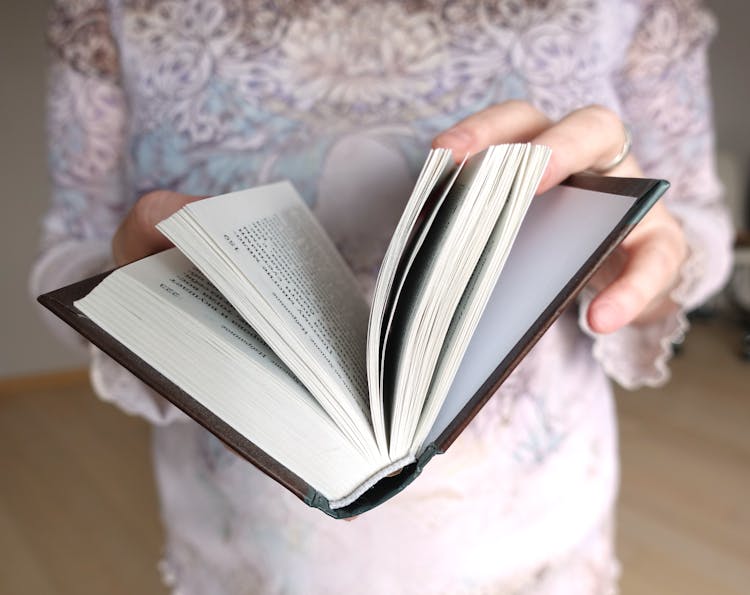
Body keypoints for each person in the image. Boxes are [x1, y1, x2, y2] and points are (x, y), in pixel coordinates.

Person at [33, 1, 733, 593]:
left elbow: (696, 224)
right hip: (247, 555)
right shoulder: (109, 13)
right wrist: (137, 285)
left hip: (533, 544)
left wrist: (636, 246)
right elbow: (70, 251)